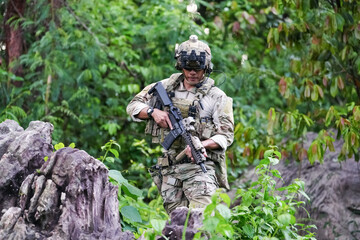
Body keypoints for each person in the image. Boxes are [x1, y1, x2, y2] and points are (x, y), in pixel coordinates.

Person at [126, 35, 234, 214]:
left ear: (206, 67)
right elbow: (133, 106)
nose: (192, 73)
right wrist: (153, 112)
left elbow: (226, 135)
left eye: (197, 68)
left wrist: (201, 144)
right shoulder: (165, 87)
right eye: (188, 68)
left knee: (202, 222)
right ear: (180, 66)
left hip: (200, 167)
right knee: (176, 225)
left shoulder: (216, 96)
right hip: (170, 169)